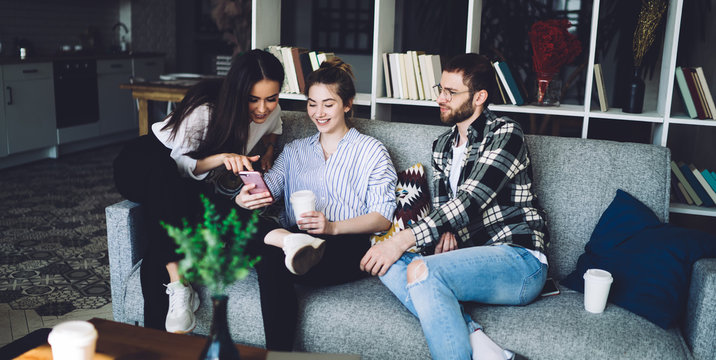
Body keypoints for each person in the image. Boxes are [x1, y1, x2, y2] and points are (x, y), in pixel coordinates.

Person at [360, 53, 548, 360]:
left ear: (479, 97)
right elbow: (446, 215)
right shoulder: (442, 145)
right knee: (388, 263)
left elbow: (469, 202)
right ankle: (484, 346)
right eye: (440, 89)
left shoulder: (505, 133)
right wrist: (442, 242)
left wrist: (402, 240)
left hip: (519, 260)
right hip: (469, 259)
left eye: (451, 92)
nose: (440, 98)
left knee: (414, 266)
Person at [113, 49, 285, 333]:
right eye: (253, 99)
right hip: (145, 162)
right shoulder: (207, 111)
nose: (263, 108)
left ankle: (161, 342)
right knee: (164, 176)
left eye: (272, 98)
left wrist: (268, 150)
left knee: (164, 234)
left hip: (181, 185)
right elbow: (179, 165)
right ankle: (179, 283)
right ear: (237, 92)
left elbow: (275, 125)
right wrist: (221, 158)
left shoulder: (271, 112)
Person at [235, 58, 398, 351]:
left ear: (347, 104)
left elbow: (382, 217)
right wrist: (243, 196)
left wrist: (331, 226)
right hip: (294, 239)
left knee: (267, 257)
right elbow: (267, 191)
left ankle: (277, 355)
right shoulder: (295, 151)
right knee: (241, 224)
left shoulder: (372, 152)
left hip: (347, 244)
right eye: (312, 104)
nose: (318, 113)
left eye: (328, 104)